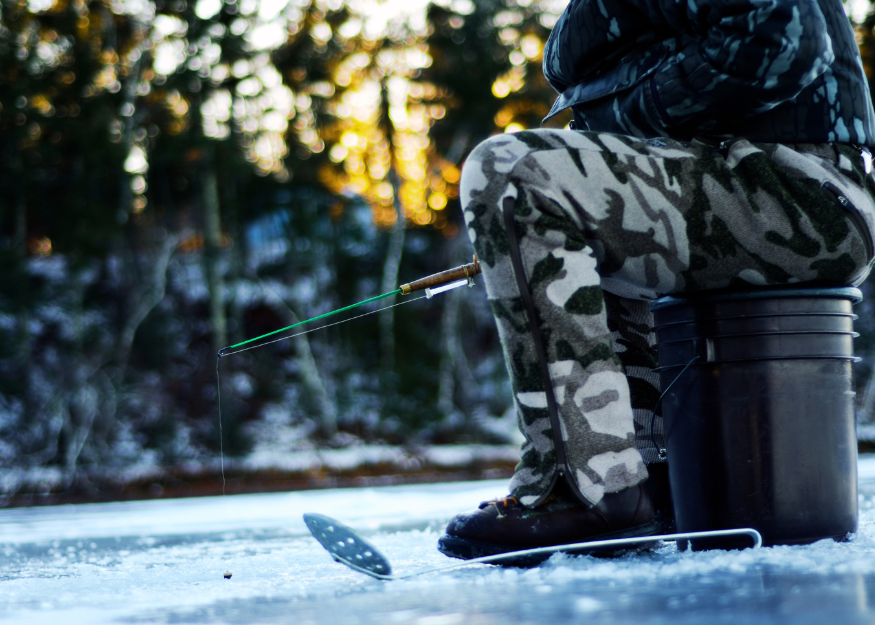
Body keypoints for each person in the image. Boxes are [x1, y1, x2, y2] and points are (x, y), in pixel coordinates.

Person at [438, 0, 875, 561]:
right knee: (577, 191)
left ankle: (583, 485)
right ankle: (651, 479)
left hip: (802, 188)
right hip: (768, 181)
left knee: (514, 171)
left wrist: (621, 123)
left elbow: (781, 39)